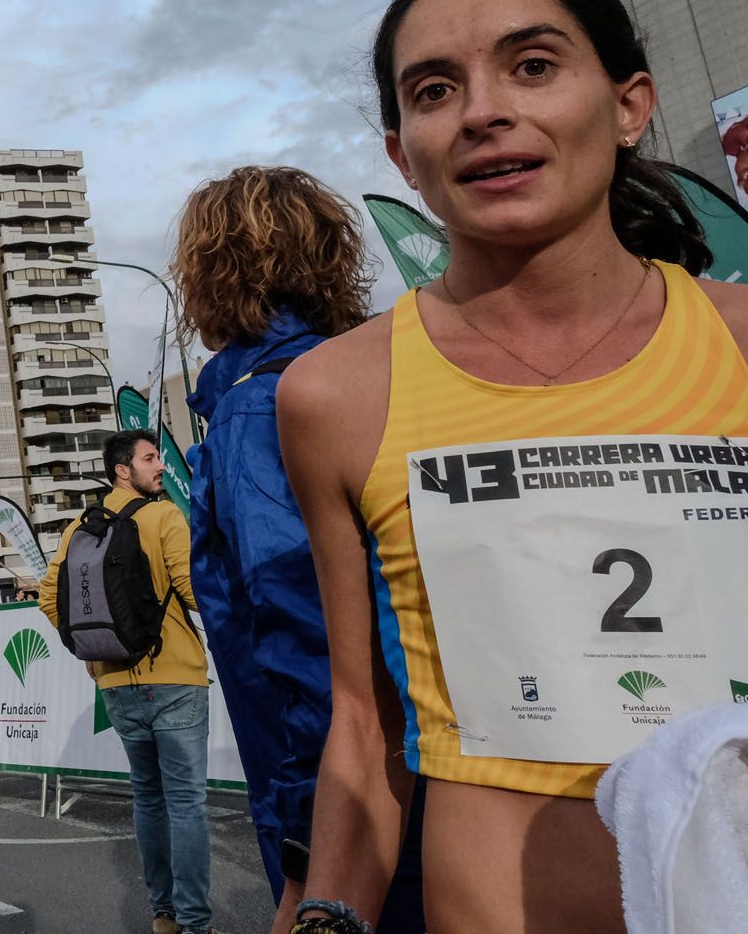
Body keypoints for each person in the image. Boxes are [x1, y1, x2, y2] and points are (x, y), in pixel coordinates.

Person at [278, 0, 748, 933]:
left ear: (626, 104)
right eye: (433, 89)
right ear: (401, 153)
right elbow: (359, 724)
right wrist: (321, 917)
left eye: (531, 65)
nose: (483, 109)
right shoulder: (331, 394)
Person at [172, 166, 424, 933]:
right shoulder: (378, 371)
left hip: (351, 804)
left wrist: (311, 852)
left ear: (215, 273)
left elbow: (307, 640)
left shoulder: (258, 407)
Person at [40, 428, 217, 934]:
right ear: (123, 469)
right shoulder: (165, 516)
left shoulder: (80, 525)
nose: (160, 466)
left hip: (115, 684)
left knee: (148, 797)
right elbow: (193, 589)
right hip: (177, 677)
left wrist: (95, 651)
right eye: (150, 458)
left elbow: (49, 600)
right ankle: (194, 923)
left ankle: (163, 915)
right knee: (186, 803)